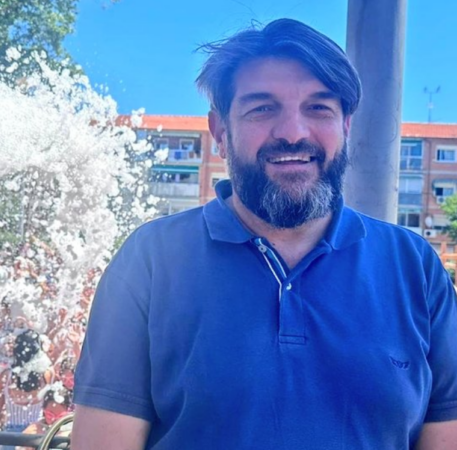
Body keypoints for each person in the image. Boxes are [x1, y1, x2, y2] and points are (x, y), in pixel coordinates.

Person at [71, 19, 457, 450]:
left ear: (346, 125)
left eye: (318, 108)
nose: (293, 132)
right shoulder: (151, 260)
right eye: (262, 109)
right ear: (220, 131)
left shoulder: (415, 267)